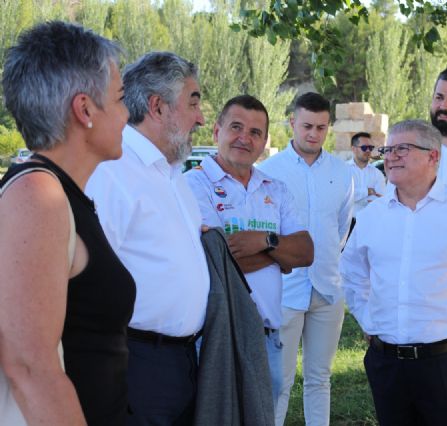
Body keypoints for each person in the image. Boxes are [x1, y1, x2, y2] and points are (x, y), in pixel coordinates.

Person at [0, 21, 135, 425]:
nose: (128, 114)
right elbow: (29, 368)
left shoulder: (57, 193)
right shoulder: (37, 195)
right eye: (121, 98)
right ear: (85, 110)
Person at [86, 52, 210, 425]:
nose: (202, 117)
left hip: (181, 361)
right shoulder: (112, 172)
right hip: (136, 363)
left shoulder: (172, 173)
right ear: (157, 106)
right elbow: (84, 281)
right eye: (193, 101)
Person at [340, 120, 447, 425]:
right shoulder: (372, 216)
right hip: (387, 364)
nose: (390, 157)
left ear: (433, 156)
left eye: (403, 148)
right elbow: (352, 273)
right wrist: (367, 318)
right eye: (388, 149)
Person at [185, 95, 314, 408]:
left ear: (265, 141)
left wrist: (264, 240)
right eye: (236, 127)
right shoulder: (193, 185)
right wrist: (278, 256)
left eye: (255, 132)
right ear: (216, 132)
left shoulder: (275, 188)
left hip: (267, 336)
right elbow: (217, 260)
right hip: (214, 337)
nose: (245, 138)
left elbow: (306, 251)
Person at [258, 92, 354, 426]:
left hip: (327, 287)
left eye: (321, 127)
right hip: (284, 288)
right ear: (292, 124)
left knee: (320, 377)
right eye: (307, 126)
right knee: (278, 381)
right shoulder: (269, 171)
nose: (314, 133)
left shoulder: (343, 173)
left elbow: (340, 228)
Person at [346, 132, 385, 235]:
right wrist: (368, 191)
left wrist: (355, 196)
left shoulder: (377, 173)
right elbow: (343, 196)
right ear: (353, 149)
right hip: (347, 225)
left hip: (371, 223)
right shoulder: (343, 170)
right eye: (364, 148)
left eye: (370, 147)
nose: (368, 151)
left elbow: (380, 200)